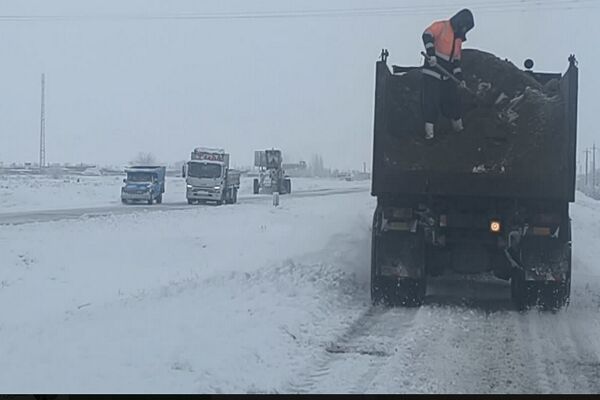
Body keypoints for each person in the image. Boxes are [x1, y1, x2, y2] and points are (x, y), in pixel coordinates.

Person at [421, 9, 474, 140]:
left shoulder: (458, 40)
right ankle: (430, 136)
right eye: (465, 26)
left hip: (447, 76)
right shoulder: (442, 26)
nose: (465, 29)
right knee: (430, 102)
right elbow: (427, 34)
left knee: (453, 101)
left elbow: (456, 62)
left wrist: (460, 79)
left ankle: (459, 131)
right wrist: (431, 54)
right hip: (432, 72)